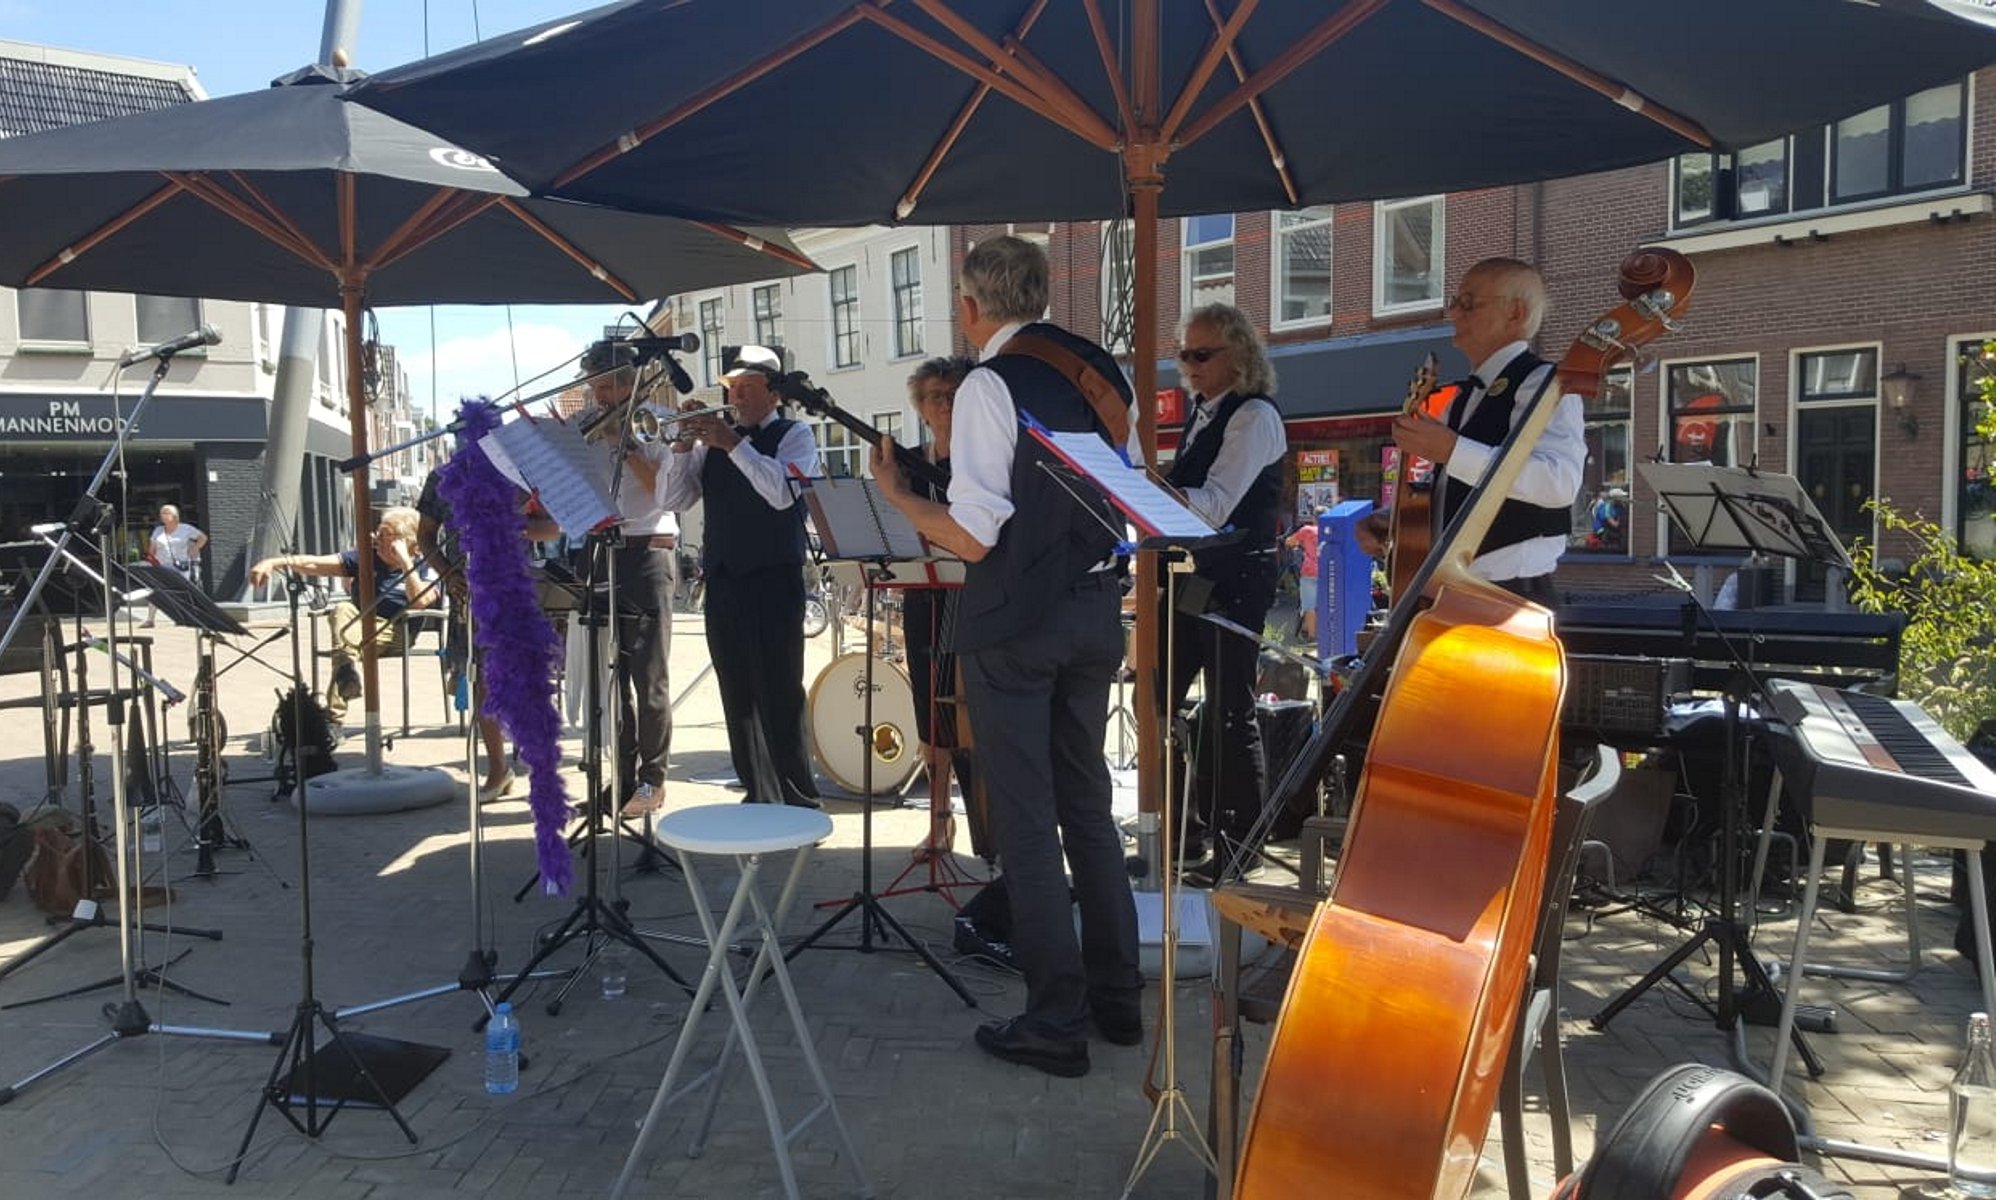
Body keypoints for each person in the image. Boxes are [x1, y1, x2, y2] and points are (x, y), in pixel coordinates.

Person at [873, 234, 1143, 1079]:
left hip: (1017, 628)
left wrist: (898, 494)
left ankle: (1055, 1022)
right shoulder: (1101, 371)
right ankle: (1118, 1003)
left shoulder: (989, 383)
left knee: (1028, 825)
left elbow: (974, 533)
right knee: (1089, 812)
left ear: (971, 306)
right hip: (1097, 612)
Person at [1357, 257, 1587, 603]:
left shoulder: (1545, 384)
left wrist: (1452, 450)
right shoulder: (1462, 398)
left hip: (1507, 596)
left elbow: (1559, 484)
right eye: (1455, 302)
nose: (1454, 314)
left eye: (1468, 303)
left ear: (1516, 313)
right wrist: (1396, 523)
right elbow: (1462, 493)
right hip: (1456, 592)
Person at [658, 345, 824, 810]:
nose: (737, 399)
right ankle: (757, 792)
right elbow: (673, 500)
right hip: (725, 577)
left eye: (749, 390)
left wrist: (732, 443)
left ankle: (798, 798)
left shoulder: (795, 436)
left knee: (779, 690)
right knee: (737, 690)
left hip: (775, 578)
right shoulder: (713, 443)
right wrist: (679, 446)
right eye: (733, 390)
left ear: (774, 395)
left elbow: (780, 494)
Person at [1159, 303, 1288, 887]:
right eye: (1183, 353)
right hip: (1194, 576)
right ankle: (1185, 828)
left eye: (1200, 354)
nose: (1187, 365)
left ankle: (1242, 843)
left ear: (1239, 355)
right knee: (1161, 701)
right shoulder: (1204, 413)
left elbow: (1212, 506)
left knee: (1230, 709)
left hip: (1236, 578)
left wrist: (1148, 488)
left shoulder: (1252, 416)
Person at [570, 340, 681, 820]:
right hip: (600, 548)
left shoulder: (656, 421)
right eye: (594, 387)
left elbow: (666, 492)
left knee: (647, 675)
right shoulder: (583, 425)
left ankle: (653, 780)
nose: (599, 398)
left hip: (648, 549)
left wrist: (624, 440)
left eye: (607, 387)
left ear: (631, 382)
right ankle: (621, 774)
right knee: (611, 674)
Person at [247, 506, 439, 728]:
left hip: (396, 630)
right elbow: (315, 564)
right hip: (357, 625)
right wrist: (276, 562)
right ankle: (344, 683)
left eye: (386, 535)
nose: (378, 539)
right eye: (378, 532)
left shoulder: (427, 565)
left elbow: (419, 602)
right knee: (343, 611)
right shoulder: (365, 558)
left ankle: (334, 716)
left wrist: (406, 562)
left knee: (346, 644)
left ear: (409, 542)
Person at [899, 354, 978, 861]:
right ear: (921, 408)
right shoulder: (905, 463)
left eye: (953, 395)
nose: (944, 405)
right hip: (924, 595)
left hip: (974, 599)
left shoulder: (981, 464)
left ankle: (989, 820)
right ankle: (939, 819)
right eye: (935, 396)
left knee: (970, 711)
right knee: (929, 708)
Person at [415, 463, 515, 802]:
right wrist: (445, 572)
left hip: (514, 586)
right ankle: (499, 768)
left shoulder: (514, 469)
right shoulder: (442, 477)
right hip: (468, 591)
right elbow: (425, 536)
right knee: (481, 681)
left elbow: (546, 525)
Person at [142, 505, 206, 624]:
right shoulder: (158, 530)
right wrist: (151, 560)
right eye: (162, 513)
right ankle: (150, 619)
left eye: (166, 513)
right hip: (161, 565)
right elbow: (152, 549)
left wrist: (195, 548)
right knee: (154, 590)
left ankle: (184, 617)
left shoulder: (186, 529)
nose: (163, 516)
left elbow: (202, 538)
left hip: (180, 566)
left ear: (175, 516)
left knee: (182, 591)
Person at [1286, 508, 1326, 641]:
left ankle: (1312, 636)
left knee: (1309, 605)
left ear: (1314, 518)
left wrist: (1298, 543)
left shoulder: (1307, 530)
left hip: (1310, 572)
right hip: (1327, 572)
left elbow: (1290, 542)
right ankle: (1308, 629)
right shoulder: (1331, 531)